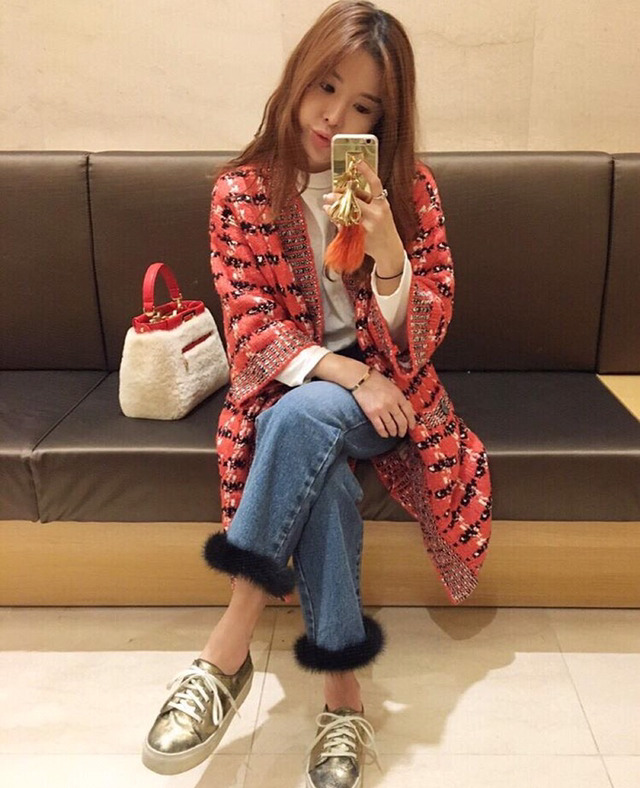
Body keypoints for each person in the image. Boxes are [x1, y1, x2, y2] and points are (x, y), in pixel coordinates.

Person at [142, 1, 492, 784]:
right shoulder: (242, 191)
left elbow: (425, 337)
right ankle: (342, 698)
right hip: (293, 395)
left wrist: (391, 251)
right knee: (317, 457)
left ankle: (225, 650)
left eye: (363, 106)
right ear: (298, 78)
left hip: (392, 400)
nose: (335, 118)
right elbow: (251, 326)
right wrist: (346, 373)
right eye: (326, 88)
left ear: (385, 120)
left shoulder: (410, 192)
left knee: (309, 422)